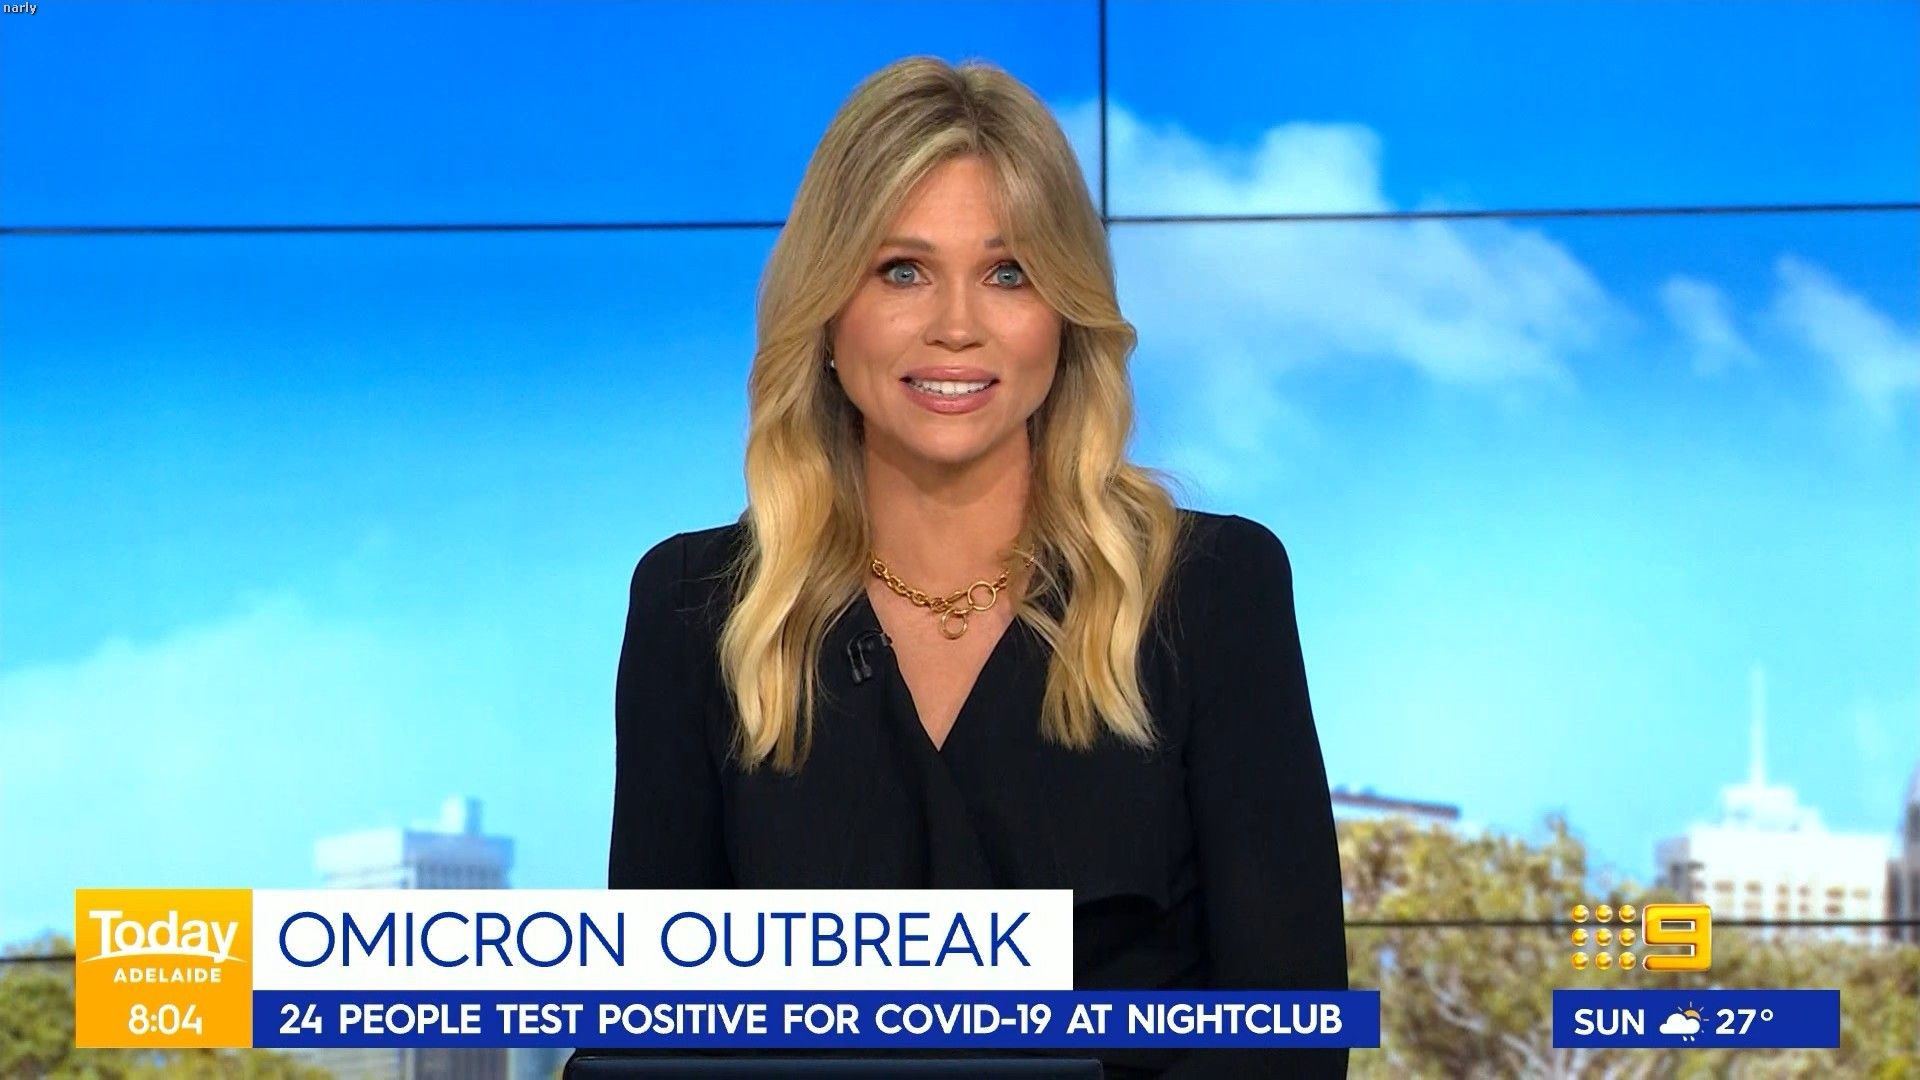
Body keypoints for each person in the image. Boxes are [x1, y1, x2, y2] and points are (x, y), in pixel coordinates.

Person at [580, 55, 1347, 1079]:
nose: (956, 325)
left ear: (1062, 315)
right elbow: (649, 1039)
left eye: (1008, 272)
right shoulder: (697, 607)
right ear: (828, 309)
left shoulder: (1212, 589)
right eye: (902, 270)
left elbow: (1287, 1038)